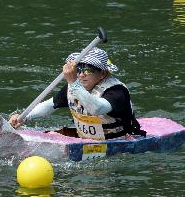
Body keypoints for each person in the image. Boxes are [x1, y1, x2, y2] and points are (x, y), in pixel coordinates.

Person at [9, 47, 144, 140]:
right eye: (78, 68)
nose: (81, 74)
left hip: (119, 141)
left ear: (103, 73)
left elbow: (96, 108)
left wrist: (74, 83)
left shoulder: (116, 92)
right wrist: (24, 117)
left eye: (89, 70)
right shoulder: (74, 87)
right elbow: (50, 105)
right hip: (85, 139)